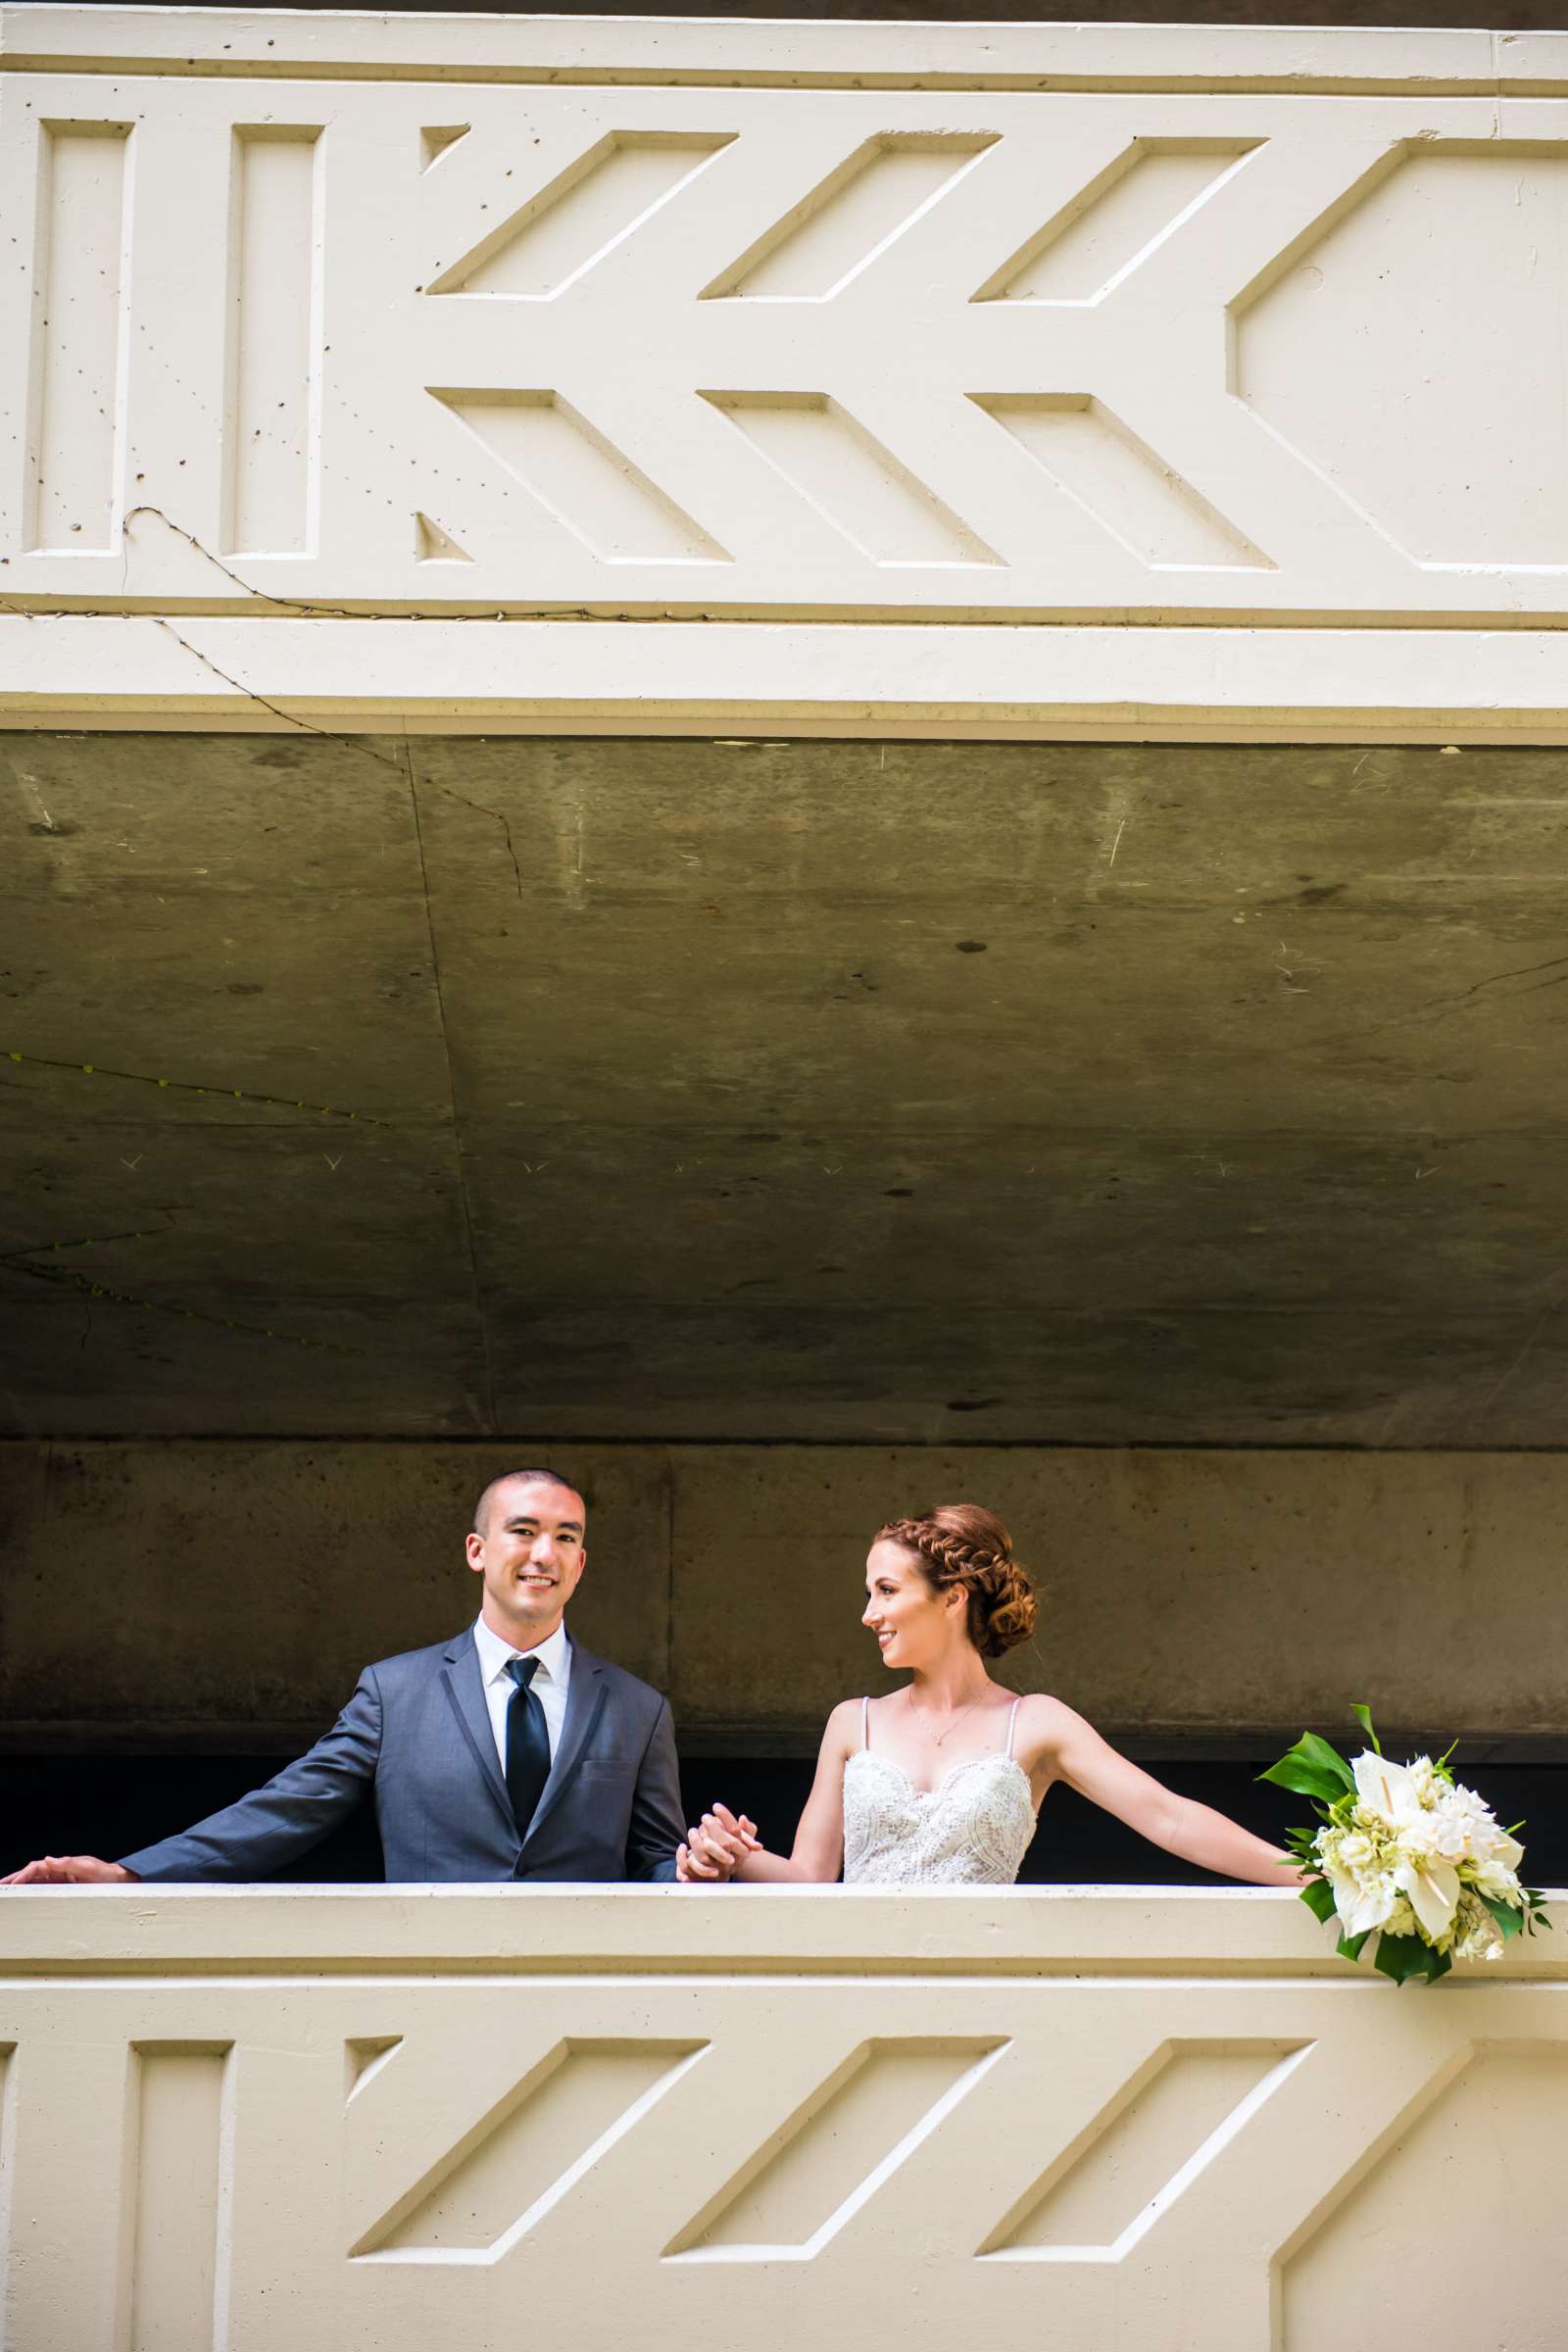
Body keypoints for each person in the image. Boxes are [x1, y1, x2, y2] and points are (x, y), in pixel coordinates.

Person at [2, 1468, 685, 1886]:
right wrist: (130, 1872)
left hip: (585, 2001)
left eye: (566, 1537)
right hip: (427, 1989)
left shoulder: (638, 1707)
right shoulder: (395, 1691)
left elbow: (657, 1861)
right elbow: (286, 1809)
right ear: (478, 1550)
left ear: (582, 1562)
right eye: (525, 1531)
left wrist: (690, 1872)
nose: (545, 1553)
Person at [676, 1503, 1303, 1891]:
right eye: (870, 1593)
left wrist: (1316, 1879)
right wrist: (731, 1859)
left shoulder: (1035, 1725)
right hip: (859, 1986)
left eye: (887, 1591)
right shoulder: (852, 1723)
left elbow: (1170, 1818)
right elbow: (812, 1879)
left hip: (982, 1988)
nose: (869, 1614)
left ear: (952, 1597)